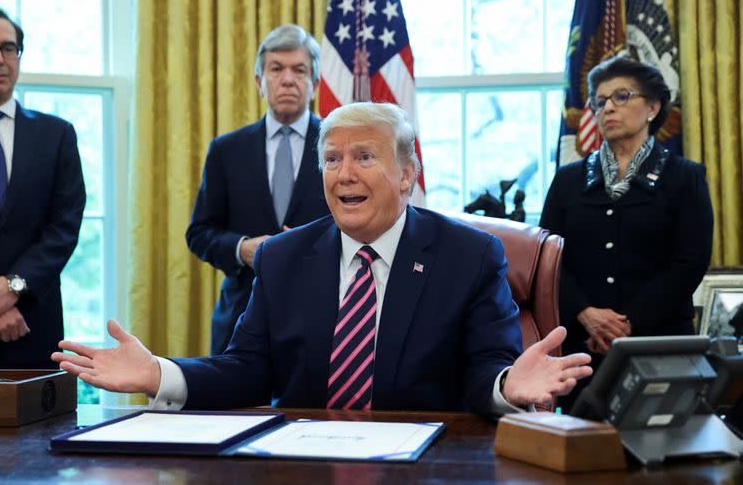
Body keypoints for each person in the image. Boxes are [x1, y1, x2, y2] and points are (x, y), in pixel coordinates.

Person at [54, 102, 591, 415]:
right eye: (332, 159)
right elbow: (248, 370)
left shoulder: (469, 255)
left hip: (425, 464)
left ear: (407, 174)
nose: (344, 174)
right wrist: (158, 374)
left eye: (364, 157)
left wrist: (506, 388)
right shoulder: (284, 257)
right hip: (301, 463)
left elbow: (485, 372)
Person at [540, 56, 713, 409]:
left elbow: (689, 262)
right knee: (583, 453)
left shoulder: (685, 177)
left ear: (653, 107)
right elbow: (547, 257)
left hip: (660, 342)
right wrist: (585, 313)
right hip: (583, 348)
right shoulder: (568, 180)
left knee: (664, 450)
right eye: (600, 101)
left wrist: (627, 324)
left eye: (621, 96)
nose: (608, 108)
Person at [0, 7, 86, 378]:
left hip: (32, 329)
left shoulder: (57, 135)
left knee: (42, 436)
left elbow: (64, 228)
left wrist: (13, 287)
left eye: (9, 48)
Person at [186, 24, 330, 356]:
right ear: (259, 81)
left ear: (315, 84)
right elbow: (199, 232)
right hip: (241, 316)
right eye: (276, 69)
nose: (288, 79)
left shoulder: (339, 148)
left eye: (300, 70)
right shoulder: (226, 149)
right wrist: (242, 248)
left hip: (321, 317)